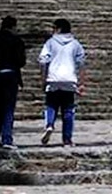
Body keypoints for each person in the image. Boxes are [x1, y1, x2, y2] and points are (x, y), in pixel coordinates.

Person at [38, 18, 86, 147]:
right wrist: (81, 83)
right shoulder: (75, 44)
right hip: (69, 79)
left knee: (51, 105)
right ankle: (67, 139)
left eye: (54, 28)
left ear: (58, 29)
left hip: (53, 78)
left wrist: (43, 80)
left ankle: (49, 124)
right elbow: (81, 63)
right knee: (68, 110)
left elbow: (43, 61)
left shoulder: (50, 43)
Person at [0, 15, 26, 149]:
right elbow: (21, 61)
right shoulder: (17, 41)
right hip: (11, 75)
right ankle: (7, 138)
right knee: (8, 108)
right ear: (13, 27)